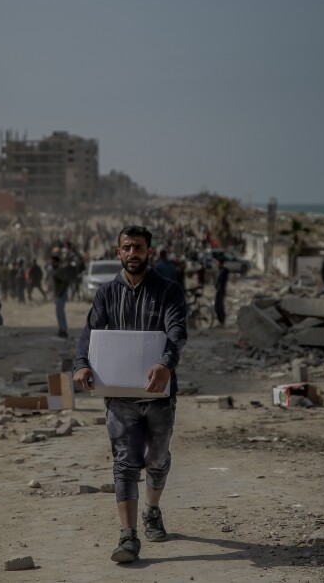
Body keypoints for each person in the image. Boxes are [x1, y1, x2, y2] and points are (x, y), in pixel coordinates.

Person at [72, 225, 187, 564]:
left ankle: (152, 509)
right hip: (119, 396)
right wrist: (81, 365)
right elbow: (91, 332)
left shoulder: (169, 290)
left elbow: (177, 332)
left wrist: (166, 364)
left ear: (149, 251)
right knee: (124, 462)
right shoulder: (106, 293)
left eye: (138, 247)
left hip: (159, 395)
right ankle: (128, 535)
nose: (132, 253)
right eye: (127, 247)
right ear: (118, 251)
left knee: (157, 459)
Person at [214, 257, 229, 326]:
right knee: (218, 306)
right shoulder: (220, 270)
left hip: (221, 290)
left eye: (218, 263)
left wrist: (218, 287)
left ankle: (222, 320)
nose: (217, 264)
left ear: (221, 263)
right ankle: (221, 320)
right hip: (219, 290)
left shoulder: (224, 271)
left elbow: (222, 281)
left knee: (219, 306)